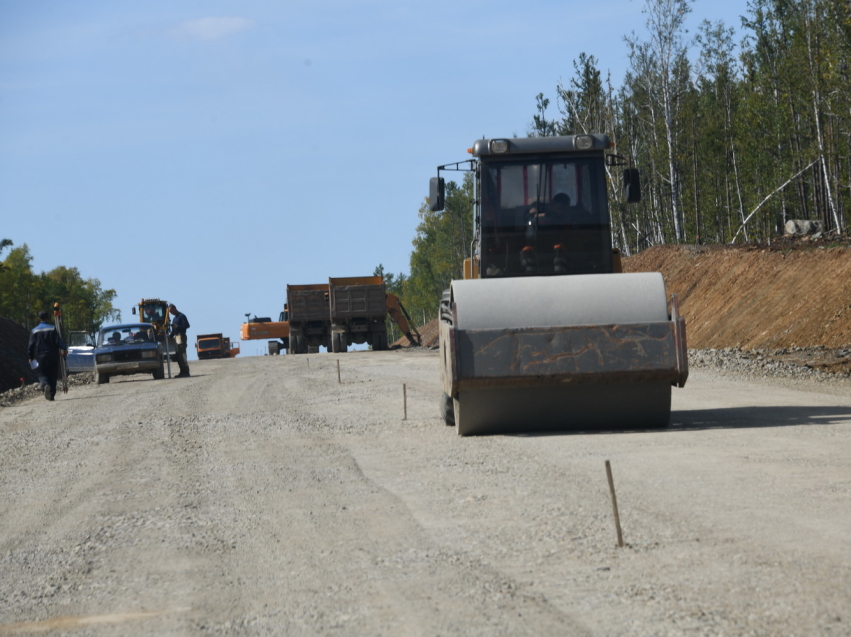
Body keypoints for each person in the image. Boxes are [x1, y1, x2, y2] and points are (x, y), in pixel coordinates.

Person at [27, 311, 68, 401]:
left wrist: (31, 357)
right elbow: (58, 341)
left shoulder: (34, 331)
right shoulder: (53, 328)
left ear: (39, 319)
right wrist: (64, 348)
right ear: (48, 318)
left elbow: (31, 345)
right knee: (53, 374)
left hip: (41, 356)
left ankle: (45, 385)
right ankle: (52, 395)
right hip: (53, 355)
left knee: (42, 373)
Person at [168, 303, 191, 377]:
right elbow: (173, 331)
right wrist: (170, 336)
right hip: (176, 338)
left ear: (175, 308)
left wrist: (178, 327)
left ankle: (185, 371)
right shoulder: (174, 319)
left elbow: (187, 325)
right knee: (178, 355)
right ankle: (182, 371)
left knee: (182, 354)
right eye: (170, 312)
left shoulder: (182, 316)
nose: (171, 313)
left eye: (171, 311)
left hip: (181, 336)